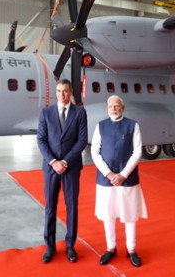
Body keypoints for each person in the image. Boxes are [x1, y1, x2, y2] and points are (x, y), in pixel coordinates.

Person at [91, 95, 148, 268]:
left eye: (117, 106)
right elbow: (95, 152)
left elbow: (137, 152)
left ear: (123, 108)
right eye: (111, 106)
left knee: (130, 215)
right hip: (105, 179)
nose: (114, 109)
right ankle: (111, 247)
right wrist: (109, 174)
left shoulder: (133, 125)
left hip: (128, 178)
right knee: (108, 215)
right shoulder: (101, 126)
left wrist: (123, 174)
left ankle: (131, 249)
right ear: (107, 108)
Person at [37, 79, 88, 264]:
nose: (61, 95)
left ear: (71, 92)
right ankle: (50, 246)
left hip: (71, 167)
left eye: (65, 91)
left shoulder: (80, 113)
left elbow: (82, 141)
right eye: (58, 91)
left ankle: (70, 246)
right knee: (50, 207)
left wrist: (65, 162)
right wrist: (53, 162)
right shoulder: (46, 113)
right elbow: (41, 140)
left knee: (71, 207)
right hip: (51, 168)